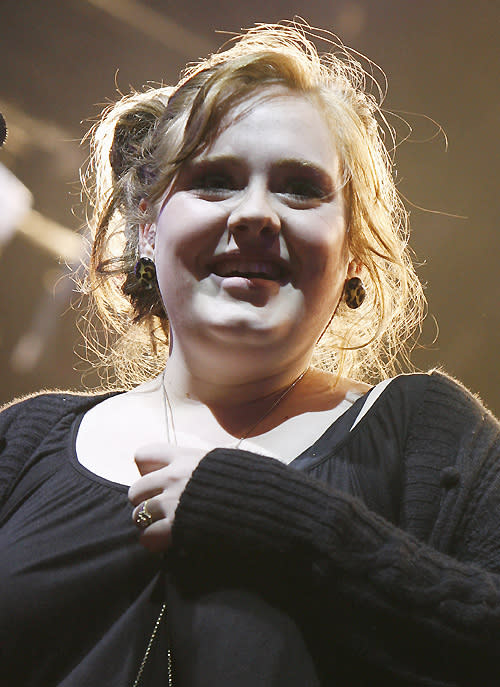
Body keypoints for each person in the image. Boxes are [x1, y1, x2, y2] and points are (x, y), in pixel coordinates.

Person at [1, 22, 500, 687]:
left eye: (300, 187)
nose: (256, 213)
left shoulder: (427, 438)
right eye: (215, 180)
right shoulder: (22, 442)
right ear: (148, 226)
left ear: (353, 248)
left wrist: (277, 519)